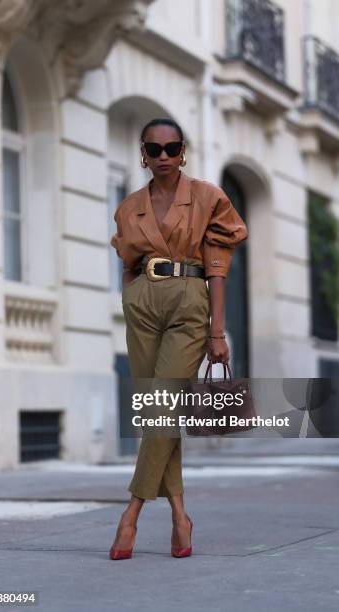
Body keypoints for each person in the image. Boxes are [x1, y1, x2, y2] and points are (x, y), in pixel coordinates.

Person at [109, 117, 248, 560]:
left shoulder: (208, 197)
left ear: (183, 151)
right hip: (142, 303)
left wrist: (218, 330)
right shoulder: (130, 207)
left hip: (190, 300)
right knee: (157, 413)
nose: (163, 157)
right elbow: (128, 260)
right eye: (154, 149)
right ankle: (179, 515)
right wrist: (132, 295)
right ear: (143, 154)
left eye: (172, 149)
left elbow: (218, 267)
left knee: (162, 407)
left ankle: (130, 512)